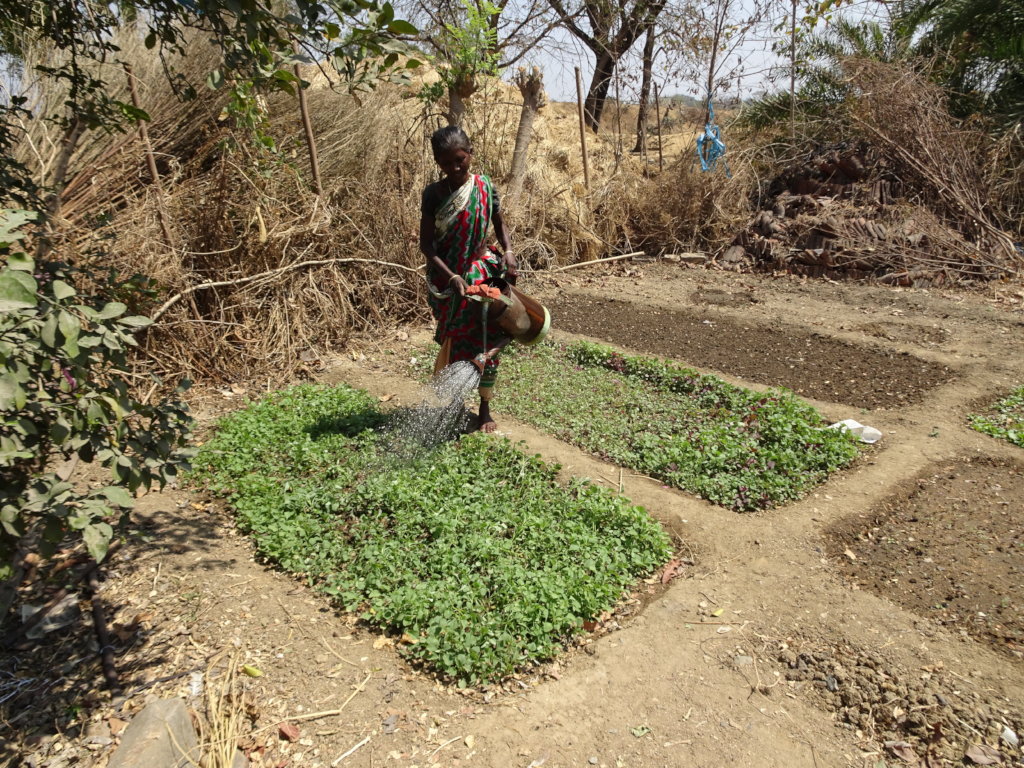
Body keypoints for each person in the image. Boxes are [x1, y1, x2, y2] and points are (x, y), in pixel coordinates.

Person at [419, 125, 518, 433]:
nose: (455, 167)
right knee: (457, 340)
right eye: (447, 163)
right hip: (450, 283)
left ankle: (484, 407)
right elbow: (427, 245)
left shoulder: (485, 187)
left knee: (488, 338)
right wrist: (451, 279)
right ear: (438, 162)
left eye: (460, 159)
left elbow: (499, 223)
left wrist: (509, 251)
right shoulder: (433, 194)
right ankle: (455, 403)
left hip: (484, 274)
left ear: (470, 154)